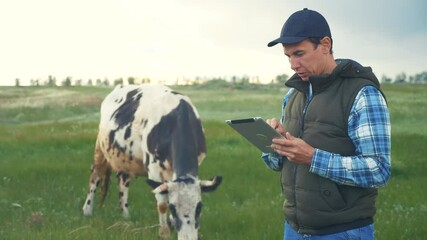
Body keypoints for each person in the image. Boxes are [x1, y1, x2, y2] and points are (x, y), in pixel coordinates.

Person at [263, 8, 391, 239]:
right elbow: (276, 165)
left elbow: (378, 170)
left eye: (299, 53)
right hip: (293, 229)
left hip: (342, 231)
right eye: (288, 56)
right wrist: (275, 143)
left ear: (325, 45)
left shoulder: (363, 94)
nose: (293, 64)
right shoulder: (293, 95)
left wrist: (313, 157)